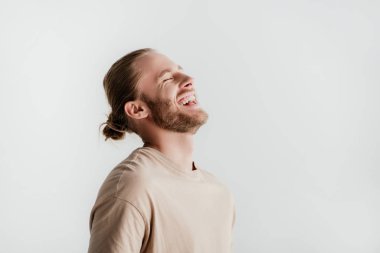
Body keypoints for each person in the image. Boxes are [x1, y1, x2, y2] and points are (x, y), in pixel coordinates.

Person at [87, 48, 236, 253]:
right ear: (138, 109)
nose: (189, 79)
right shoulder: (133, 186)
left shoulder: (219, 193)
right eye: (167, 79)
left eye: (181, 71)